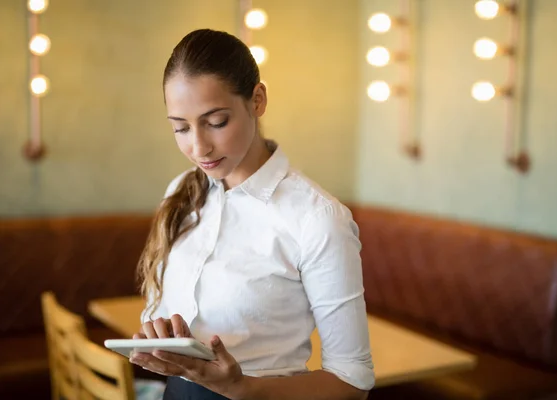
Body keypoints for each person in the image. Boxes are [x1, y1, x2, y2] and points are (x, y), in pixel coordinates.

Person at [129, 28, 374, 400]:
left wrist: (241, 387)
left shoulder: (317, 218)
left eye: (216, 122)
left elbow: (352, 381)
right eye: (180, 128)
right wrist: (165, 345)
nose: (198, 146)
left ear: (257, 100)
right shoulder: (181, 191)